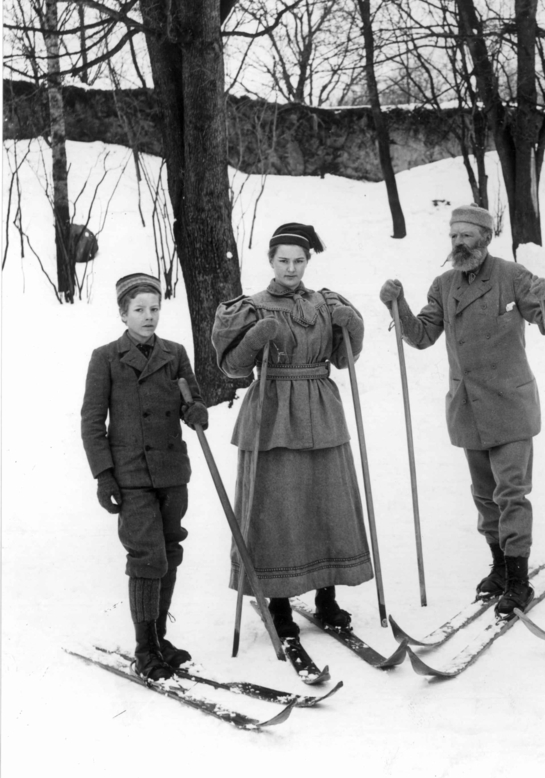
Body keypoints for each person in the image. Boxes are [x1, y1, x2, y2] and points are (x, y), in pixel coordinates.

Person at [378, 205, 545, 617]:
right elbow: (423, 335)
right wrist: (399, 307)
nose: (459, 244)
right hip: (468, 407)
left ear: (485, 238)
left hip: (510, 405)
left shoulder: (512, 275)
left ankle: (519, 581)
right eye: (453, 237)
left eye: (467, 236)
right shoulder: (444, 284)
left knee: (511, 494)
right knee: (484, 496)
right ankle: (500, 567)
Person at [212, 223, 372, 666]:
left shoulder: (325, 303)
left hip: (320, 405)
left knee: (327, 501)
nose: (291, 268)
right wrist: (255, 337)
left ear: (308, 262)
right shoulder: (249, 308)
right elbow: (231, 369)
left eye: (299, 261)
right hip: (273, 412)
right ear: (270, 260)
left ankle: (326, 595)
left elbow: (342, 359)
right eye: (283, 260)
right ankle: (278, 603)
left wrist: (351, 326)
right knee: (277, 506)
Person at [81, 273, 208, 680]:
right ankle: (145, 647)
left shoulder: (174, 352)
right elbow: (91, 422)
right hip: (131, 473)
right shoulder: (106, 358)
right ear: (123, 313)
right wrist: (104, 474)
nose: (149, 316)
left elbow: (195, 397)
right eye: (139, 310)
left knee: (169, 552)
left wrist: (197, 412)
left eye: (154, 309)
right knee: (147, 556)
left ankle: (159, 635)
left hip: (172, 470)